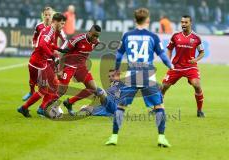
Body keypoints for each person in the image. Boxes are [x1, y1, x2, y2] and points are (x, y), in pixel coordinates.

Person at [105, 8, 172, 147]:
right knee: (159, 105)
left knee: (121, 105)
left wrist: (117, 70)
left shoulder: (127, 35)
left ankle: (113, 137)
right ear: (148, 20)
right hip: (147, 73)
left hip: (132, 73)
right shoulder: (152, 36)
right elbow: (163, 56)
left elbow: (118, 56)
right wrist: (171, 66)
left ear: (135, 20)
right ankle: (161, 138)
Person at [17, 13, 66, 117]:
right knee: (47, 88)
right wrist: (52, 56)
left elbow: (49, 44)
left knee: (52, 85)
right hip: (39, 63)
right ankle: (29, 108)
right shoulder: (49, 31)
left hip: (36, 62)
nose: (62, 26)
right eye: (62, 24)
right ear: (56, 22)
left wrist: (59, 49)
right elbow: (42, 44)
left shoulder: (50, 30)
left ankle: (38, 108)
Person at [161, 15, 205, 118]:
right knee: (163, 87)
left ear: (190, 23)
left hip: (190, 66)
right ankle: (157, 109)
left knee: (197, 85)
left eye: (186, 22)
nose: (183, 24)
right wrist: (168, 61)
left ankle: (199, 110)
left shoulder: (196, 37)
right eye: (182, 22)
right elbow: (169, 49)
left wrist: (196, 59)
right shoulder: (175, 36)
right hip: (176, 66)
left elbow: (202, 52)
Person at [56, 25, 101, 115]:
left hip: (81, 67)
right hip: (68, 66)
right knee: (62, 90)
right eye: (94, 35)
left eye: (97, 36)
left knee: (93, 88)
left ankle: (69, 102)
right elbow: (64, 54)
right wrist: (60, 70)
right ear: (89, 33)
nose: (95, 38)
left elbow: (86, 52)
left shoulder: (96, 42)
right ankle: (45, 107)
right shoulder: (78, 39)